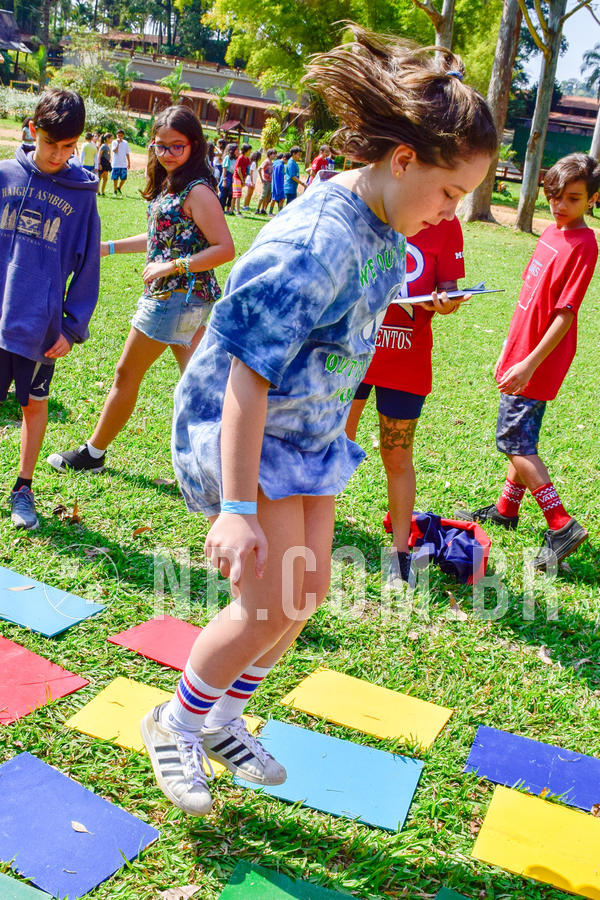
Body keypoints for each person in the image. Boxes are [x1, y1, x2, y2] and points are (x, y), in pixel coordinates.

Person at [137, 26, 496, 817]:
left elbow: (339, 321)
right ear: (404, 160)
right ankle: (175, 721)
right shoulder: (317, 238)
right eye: (447, 194)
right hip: (249, 432)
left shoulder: (383, 227)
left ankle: (225, 720)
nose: (449, 216)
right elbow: (247, 371)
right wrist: (235, 509)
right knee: (263, 602)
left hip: (310, 433)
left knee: (304, 592)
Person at [47, 106, 234, 475]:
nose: (166, 154)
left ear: (193, 145)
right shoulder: (175, 182)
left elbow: (224, 248)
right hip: (187, 299)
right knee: (201, 386)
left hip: (173, 298)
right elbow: (163, 236)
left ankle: (94, 453)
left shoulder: (198, 190)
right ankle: (231, 464)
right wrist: (110, 247)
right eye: (159, 146)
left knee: (125, 374)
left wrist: (172, 266)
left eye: (175, 147)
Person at [458, 153, 600, 570]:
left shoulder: (583, 243)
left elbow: (564, 314)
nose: (560, 205)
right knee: (523, 434)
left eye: (572, 198)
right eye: (554, 196)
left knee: (514, 441)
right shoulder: (552, 234)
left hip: (539, 358)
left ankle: (561, 524)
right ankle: (506, 509)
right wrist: (508, 346)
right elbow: (530, 299)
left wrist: (530, 363)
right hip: (521, 350)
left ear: (592, 199)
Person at [346, 217, 467, 583]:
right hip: (352, 354)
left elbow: (450, 290)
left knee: (397, 457)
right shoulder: (375, 208)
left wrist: (446, 302)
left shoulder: (447, 226)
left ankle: (400, 552)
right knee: (335, 445)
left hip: (406, 363)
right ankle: (310, 528)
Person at [0, 89, 100, 529]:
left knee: (33, 405)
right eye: (49, 143)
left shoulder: (81, 195)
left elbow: (88, 265)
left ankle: (23, 486)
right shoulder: (4, 175)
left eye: (68, 147)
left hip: (41, 329)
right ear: (32, 130)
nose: (58, 154)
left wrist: (73, 326)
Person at [219, 142, 238, 215]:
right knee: (223, 193)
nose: (238, 151)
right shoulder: (227, 158)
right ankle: (221, 208)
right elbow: (224, 168)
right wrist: (224, 180)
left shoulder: (235, 159)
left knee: (230, 194)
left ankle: (228, 209)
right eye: (237, 149)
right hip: (226, 176)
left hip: (232, 177)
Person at [232, 142, 251, 215]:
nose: (250, 152)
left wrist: (244, 179)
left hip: (241, 178)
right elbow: (238, 169)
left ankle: (232, 208)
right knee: (237, 195)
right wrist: (242, 179)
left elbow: (246, 170)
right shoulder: (241, 157)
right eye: (249, 150)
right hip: (237, 177)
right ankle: (237, 211)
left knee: (236, 194)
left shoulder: (247, 159)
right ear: (246, 150)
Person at [256, 148, 276, 215]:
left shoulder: (272, 163)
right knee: (263, 196)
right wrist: (262, 178)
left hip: (271, 181)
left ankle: (263, 209)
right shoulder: (266, 161)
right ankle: (257, 209)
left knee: (268, 196)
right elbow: (259, 169)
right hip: (266, 181)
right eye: (273, 154)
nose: (274, 156)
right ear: (270, 154)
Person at [111, 128, 130, 195]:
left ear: (123, 136)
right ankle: (115, 190)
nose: (120, 137)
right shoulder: (114, 142)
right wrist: (118, 144)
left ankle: (119, 187)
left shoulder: (126, 143)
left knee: (124, 178)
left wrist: (129, 162)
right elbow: (115, 151)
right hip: (116, 163)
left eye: (121, 135)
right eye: (118, 135)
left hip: (123, 164)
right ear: (116, 135)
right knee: (115, 178)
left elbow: (127, 153)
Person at [97, 132, 112, 196]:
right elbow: (99, 155)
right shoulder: (103, 146)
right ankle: (97, 191)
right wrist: (99, 164)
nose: (112, 140)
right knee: (99, 178)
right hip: (102, 163)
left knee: (105, 178)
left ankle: (103, 191)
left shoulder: (108, 146)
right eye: (111, 138)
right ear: (107, 138)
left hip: (106, 164)